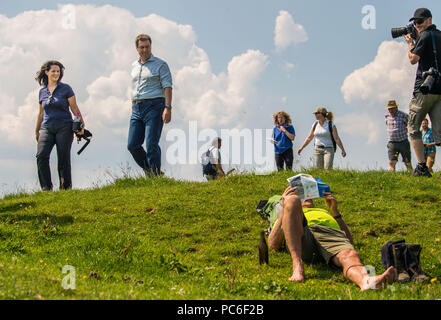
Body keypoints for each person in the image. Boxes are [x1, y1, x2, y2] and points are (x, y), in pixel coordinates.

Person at [268, 186, 396, 290]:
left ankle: (366, 281)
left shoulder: (324, 212)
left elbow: (349, 242)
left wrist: (334, 212)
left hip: (328, 234)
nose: (307, 197)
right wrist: (286, 206)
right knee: (292, 199)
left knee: (349, 254)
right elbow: (273, 243)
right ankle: (297, 265)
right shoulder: (290, 213)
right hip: (302, 235)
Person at [35, 60, 85, 191]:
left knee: (63, 158)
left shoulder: (66, 89)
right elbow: (41, 113)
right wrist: (36, 131)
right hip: (46, 128)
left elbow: (75, 109)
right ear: (46, 72)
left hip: (64, 127)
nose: (56, 73)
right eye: (53, 71)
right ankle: (46, 188)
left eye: (58, 71)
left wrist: (81, 124)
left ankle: (65, 188)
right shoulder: (42, 92)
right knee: (41, 156)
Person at [128, 34, 173, 176]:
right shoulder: (134, 66)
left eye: (147, 47)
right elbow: (133, 86)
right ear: (136, 48)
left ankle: (154, 177)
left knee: (151, 144)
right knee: (132, 145)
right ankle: (152, 171)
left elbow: (168, 87)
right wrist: (133, 103)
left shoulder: (161, 64)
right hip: (137, 107)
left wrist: (168, 108)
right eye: (142, 47)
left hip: (155, 106)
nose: (145, 50)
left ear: (151, 46)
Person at [404, 8, 441, 177]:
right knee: (439, 130)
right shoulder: (439, 35)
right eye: (415, 22)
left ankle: (421, 167)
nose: (417, 25)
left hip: (424, 88)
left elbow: (413, 59)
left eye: (420, 22)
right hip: (439, 88)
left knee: (413, 126)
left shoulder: (425, 36)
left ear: (429, 20)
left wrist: (411, 43)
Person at [384, 100, 413, 172]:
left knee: (407, 162)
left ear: (396, 107)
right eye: (389, 108)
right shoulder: (387, 116)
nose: (390, 110)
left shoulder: (403, 115)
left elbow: (410, 125)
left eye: (392, 108)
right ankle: (392, 177)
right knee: (391, 162)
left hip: (403, 141)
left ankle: (411, 175)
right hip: (392, 142)